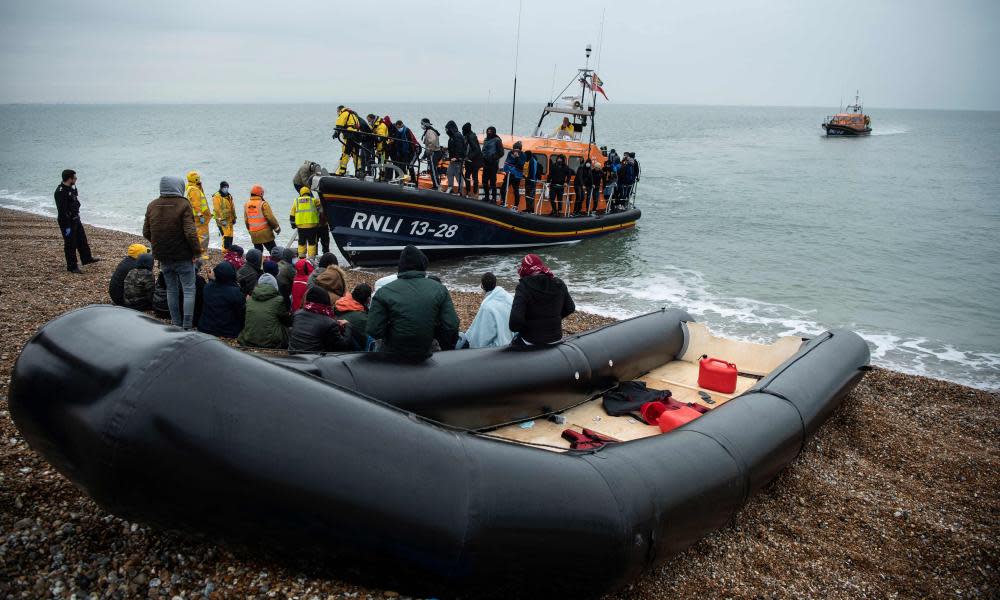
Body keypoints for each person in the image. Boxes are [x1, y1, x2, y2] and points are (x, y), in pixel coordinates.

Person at [366, 245, 459, 359]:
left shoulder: (384, 291)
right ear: (423, 265)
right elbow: (451, 325)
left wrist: (392, 332)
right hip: (427, 350)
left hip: (392, 352)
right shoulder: (440, 289)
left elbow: (373, 329)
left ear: (400, 267)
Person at [143, 175, 202, 329]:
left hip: (163, 256)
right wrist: (196, 252)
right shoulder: (183, 204)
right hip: (183, 255)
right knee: (189, 289)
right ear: (179, 187)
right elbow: (190, 232)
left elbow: (146, 232)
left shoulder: (152, 205)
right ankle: (187, 325)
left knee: (171, 289)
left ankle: (175, 323)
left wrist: (159, 243)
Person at [509, 254, 575, 345]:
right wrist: (555, 318)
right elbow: (570, 307)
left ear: (524, 269)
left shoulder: (523, 287)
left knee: (514, 340)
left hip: (531, 339)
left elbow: (515, 323)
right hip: (556, 336)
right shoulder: (559, 283)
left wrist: (528, 327)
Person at [54, 169, 99, 273]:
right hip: (67, 222)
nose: (76, 179)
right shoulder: (60, 192)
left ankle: (86, 258)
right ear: (69, 178)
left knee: (82, 239)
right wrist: (67, 226)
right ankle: (72, 266)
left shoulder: (70, 188)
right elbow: (62, 211)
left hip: (75, 218)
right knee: (70, 243)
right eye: (74, 177)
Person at [288, 287, 352, 353]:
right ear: (326, 300)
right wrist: (348, 326)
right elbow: (342, 346)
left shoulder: (297, 314)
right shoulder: (329, 323)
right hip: (312, 360)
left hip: (293, 356)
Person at [460, 272, 515, 349]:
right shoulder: (509, 298)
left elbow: (484, 336)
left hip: (498, 347)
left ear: (482, 286)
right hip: (512, 340)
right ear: (496, 283)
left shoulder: (487, 306)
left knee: (462, 339)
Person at [238, 273, 291, 348]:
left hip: (249, 339)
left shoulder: (250, 300)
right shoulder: (279, 300)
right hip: (271, 342)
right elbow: (286, 321)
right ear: (275, 286)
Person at [198, 261, 246, 338]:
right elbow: (241, 314)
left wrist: (211, 280)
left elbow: (217, 294)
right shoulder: (235, 292)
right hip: (227, 331)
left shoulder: (207, 287)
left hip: (205, 328)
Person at [335, 282, 372, 350]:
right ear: (368, 299)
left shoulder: (339, 304)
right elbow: (365, 341)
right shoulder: (362, 318)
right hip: (352, 351)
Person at [244, 184, 281, 252]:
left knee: (258, 253)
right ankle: (276, 262)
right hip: (265, 233)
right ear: (261, 194)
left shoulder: (246, 205)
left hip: (254, 234)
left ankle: (258, 262)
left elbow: (246, 221)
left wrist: (250, 231)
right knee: (274, 251)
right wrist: (277, 228)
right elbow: (270, 218)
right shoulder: (263, 204)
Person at [185, 171, 212, 261]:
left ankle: (197, 251)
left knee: (198, 234)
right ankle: (201, 252)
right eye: (198, 178)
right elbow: (196, 204)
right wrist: (200, 215)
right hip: (199, 216)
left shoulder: (191, 188)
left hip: (195, 216)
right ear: (195, 178)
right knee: (203, 235)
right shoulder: (194, 189)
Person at [289, 186, 322, 258]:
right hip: (312, 226)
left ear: (301, 193)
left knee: (301, 243)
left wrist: (293, 224)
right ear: (309, 193)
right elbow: (322, 202)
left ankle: (301, 257)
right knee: (312, 243)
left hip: (301, 227)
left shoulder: (296, 201)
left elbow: (292, 213)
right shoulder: (313, 200)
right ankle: (311, 258)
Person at [334, 105, 362, 176]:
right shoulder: (353, 114)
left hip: (349, 136)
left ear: (339, 110)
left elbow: (339, 124)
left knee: (345, 153)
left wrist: (336, 133)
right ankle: (358, 170)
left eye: (337, 112)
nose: (337, 113)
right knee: (356, 154)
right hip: (356, 136)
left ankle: (342, 171)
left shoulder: (344, 113)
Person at [481, 126, 504, 203]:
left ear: (493, 132)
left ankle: (493, 198)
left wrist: (493, 158)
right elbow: (483, 150)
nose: (489, 133)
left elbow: (501, 153)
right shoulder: (485, 140)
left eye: (490, 131)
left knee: (492, 182)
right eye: (488, 131)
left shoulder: (497, 140)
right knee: (484, 181)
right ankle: (486, 196)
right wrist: (483, 157)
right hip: (486, 163)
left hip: (493, 164)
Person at [212, 181, 237, 250]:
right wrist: (222, 220)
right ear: (221, 187)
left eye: (227, 187)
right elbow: (217, 209)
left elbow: (232, 208)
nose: (226, 188)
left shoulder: (229, 196)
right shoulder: (217, 196)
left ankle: (229, 249)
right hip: (222, 220)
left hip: (229, 219)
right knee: (226, 235)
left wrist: (234, 217)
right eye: (224, 187)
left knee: (230, 235)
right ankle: (225, 250)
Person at [443, 120, 467, 195]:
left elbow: (459, 148)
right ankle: (450, 187)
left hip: (458, 160)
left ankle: (460, 191)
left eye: (447, 129)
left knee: (458, 175)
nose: (446, 131)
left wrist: (457, 157)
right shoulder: (452, 137)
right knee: (449, 173)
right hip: (453, 160)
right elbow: (452, 147)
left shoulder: (457, 136)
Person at [461, 123, 483, 198]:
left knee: (474, 176)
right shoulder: (469, 136)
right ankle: (468, 191)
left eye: (463, 130)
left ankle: (474, 192)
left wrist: (468, 157)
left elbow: (476, 150)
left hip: (474, 161)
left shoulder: (471, 137)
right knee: (468, 175)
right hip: (470, 160)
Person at [420, 118, 443, 189]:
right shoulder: (429, 131)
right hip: (434, 152)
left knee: (433, 170)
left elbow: (432, 142)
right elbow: (427, 146)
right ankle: (436, 184)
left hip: (434, 153)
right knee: (432, 170)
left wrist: (429, 150)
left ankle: (436, 185)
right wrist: (424, 156)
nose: (421, 125)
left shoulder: (429, 131)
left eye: (422, 124)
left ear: (425, 124)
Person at [501, 141, 525, 207]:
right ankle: (503, 201)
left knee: (516, 190)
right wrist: (505, 170)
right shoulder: (510, 153)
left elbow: (521, 165)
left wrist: (517, 157)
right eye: (514, 149)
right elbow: (507, 162)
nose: (515, 151)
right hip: (509, 174)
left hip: (517, 175)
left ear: (520, 149)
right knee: (503, 188)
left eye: (517, 149)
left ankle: (516, 205)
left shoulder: (523, 155)